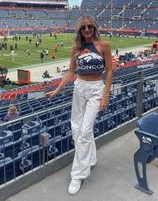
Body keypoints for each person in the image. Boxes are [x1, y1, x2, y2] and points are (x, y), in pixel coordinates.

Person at [46, 15, 112, 195]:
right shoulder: (76, 48)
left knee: (84, 131)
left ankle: (78, 174)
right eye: (83, 28)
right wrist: (56, 90)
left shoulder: (103, 45)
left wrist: (105, 95)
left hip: (96, 89)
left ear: (95, 28)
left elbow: (110, 69)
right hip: (79, 87)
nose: (87, 30)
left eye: (90, 27)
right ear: (79, 30)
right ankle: (90, 158)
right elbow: (70, 72)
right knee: (76, 128)